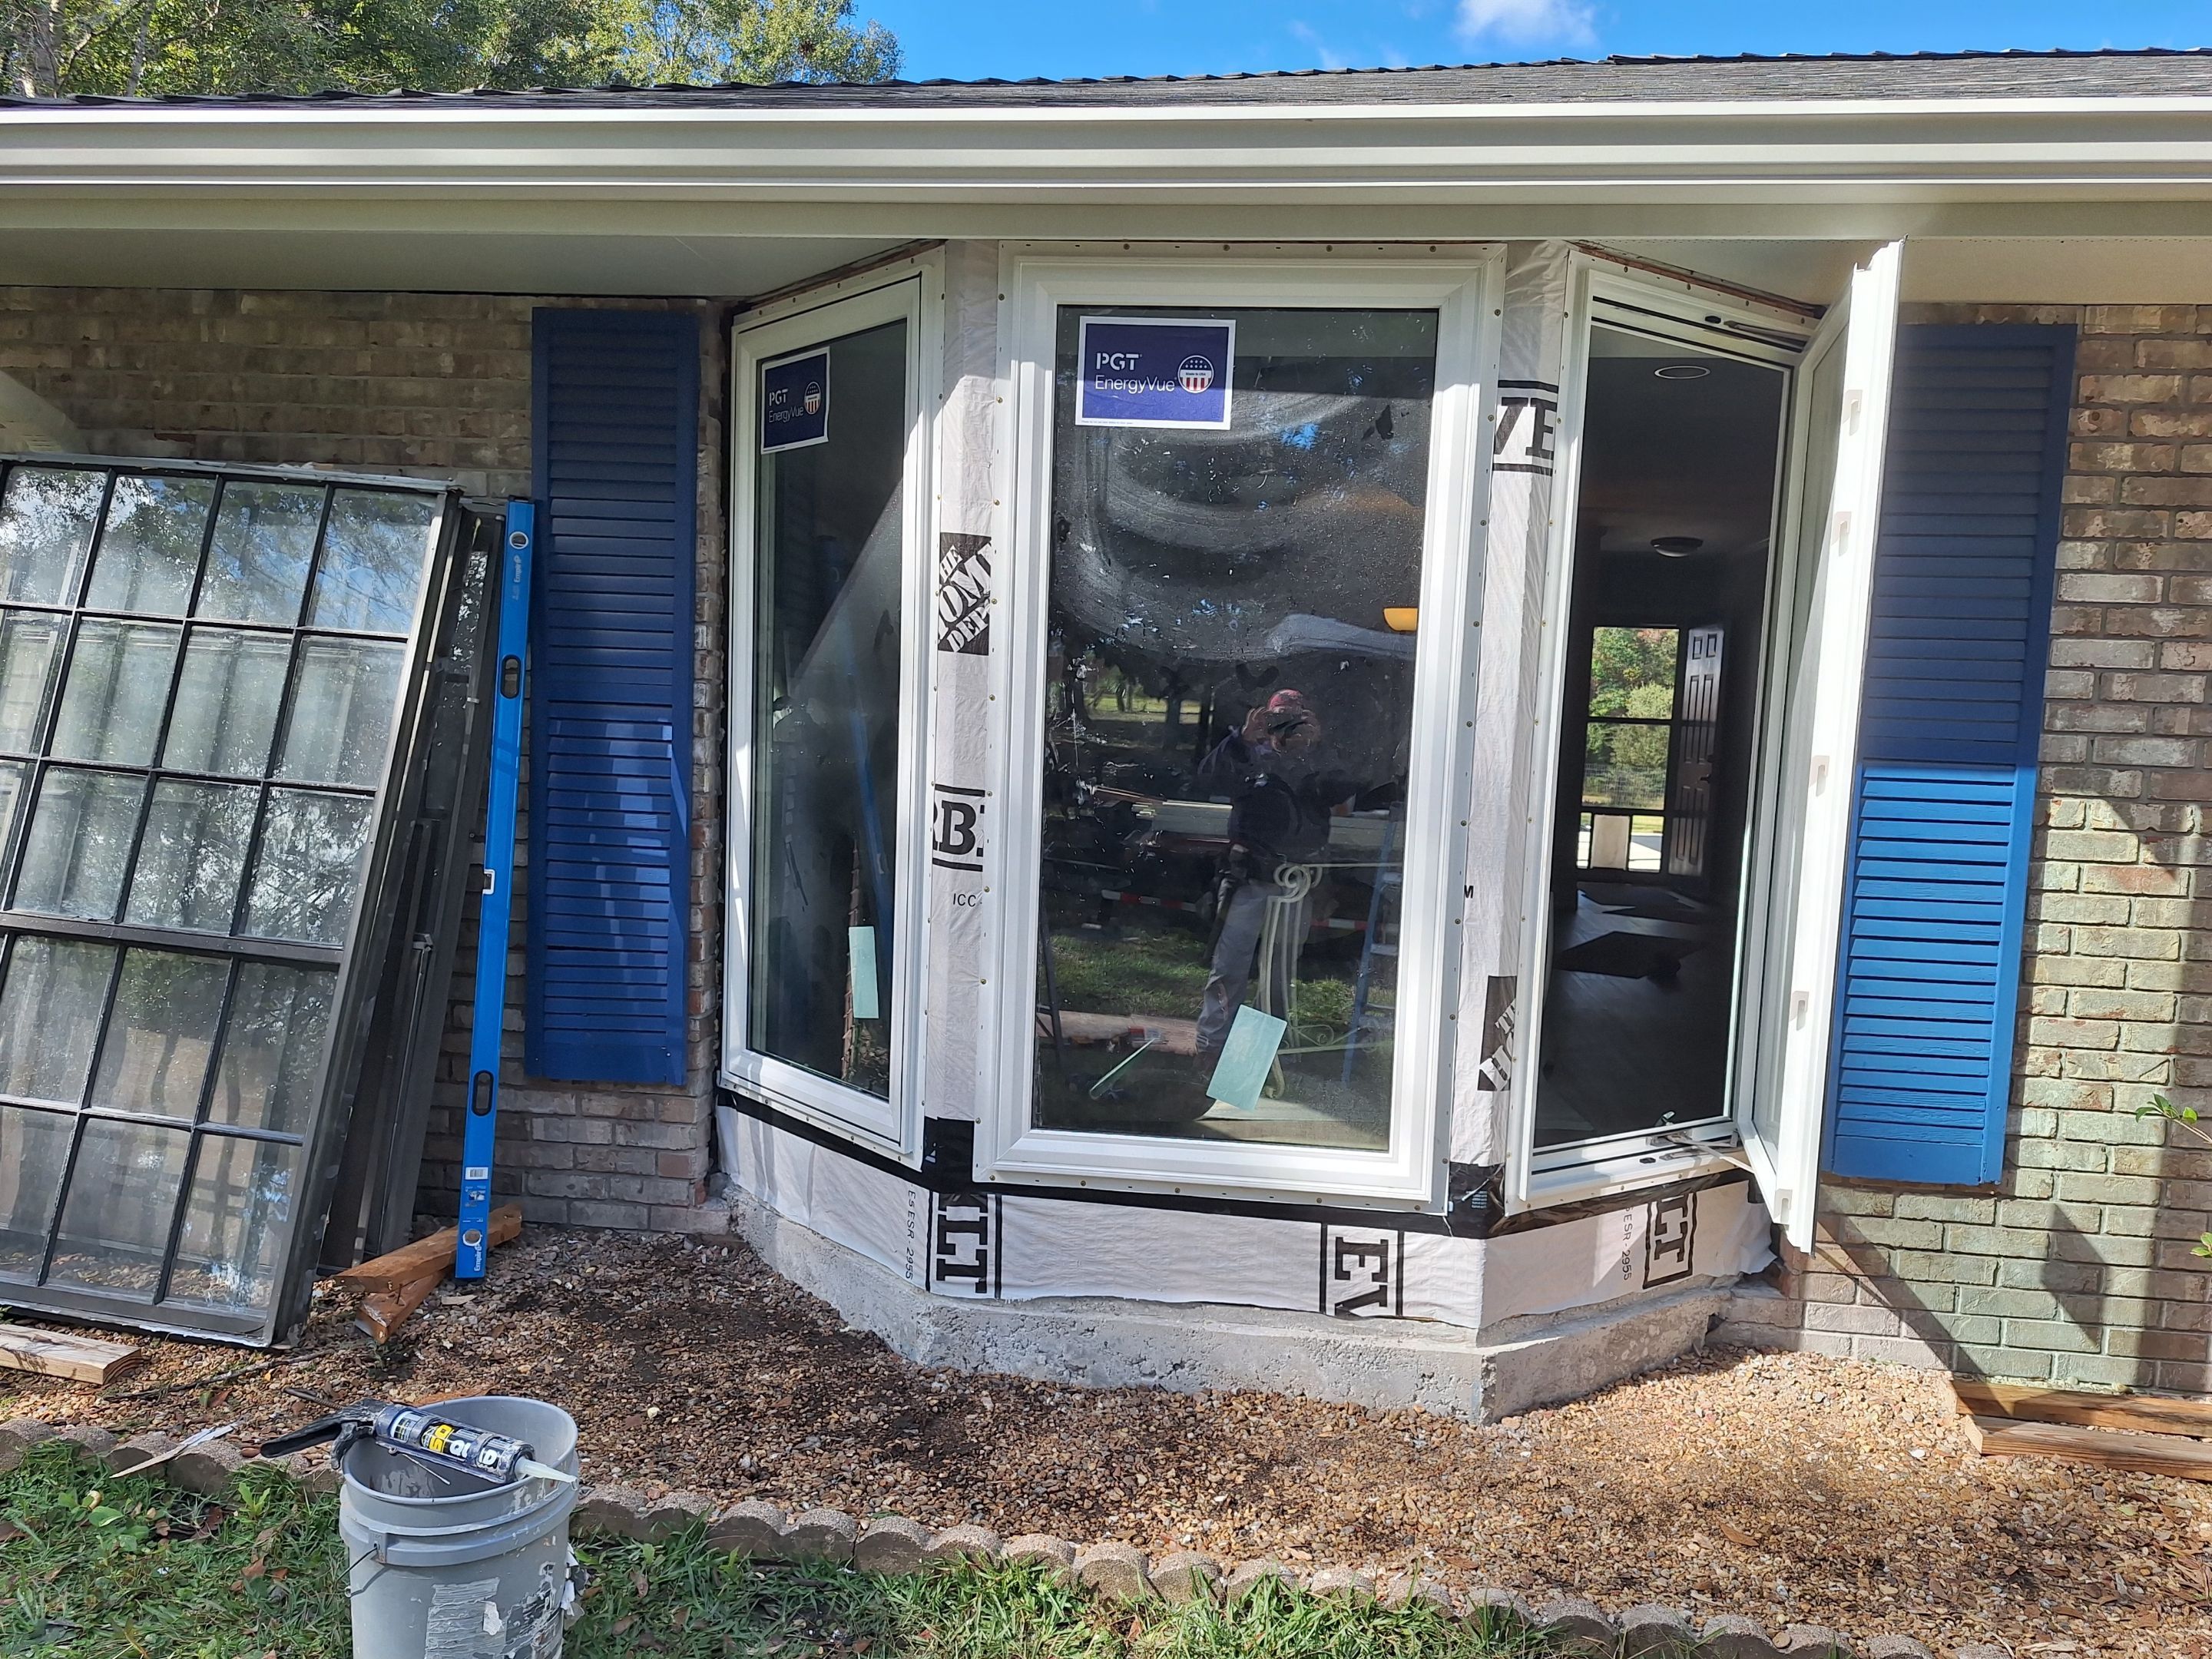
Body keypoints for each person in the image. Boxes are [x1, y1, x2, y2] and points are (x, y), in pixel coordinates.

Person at [1194, 690, 1340, 1064]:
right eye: (1279, 720)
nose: (1287, 729)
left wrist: (1319, 745)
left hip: (1295, 882)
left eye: (1296, 719)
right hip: (1249, 880)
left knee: (1279, 972)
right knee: (1229, 968)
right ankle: (1213, 1048)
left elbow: (1345, 788)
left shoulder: (1315, 765)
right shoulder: (1248, 758)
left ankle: (1263, 1055)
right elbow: (1209, 781)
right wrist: (1242, 739)